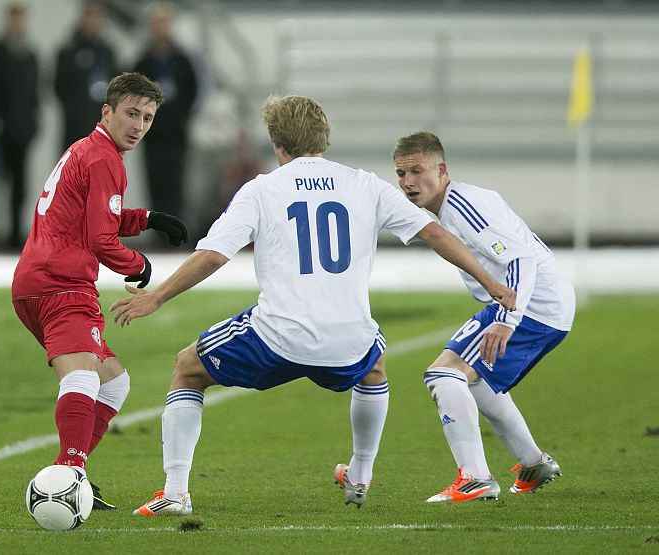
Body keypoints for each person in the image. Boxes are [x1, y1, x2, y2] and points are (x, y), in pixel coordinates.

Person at [109, 94, 516, 516]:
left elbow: (214, 254)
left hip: (277, 338)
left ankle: (175, 493)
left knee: (187, 368)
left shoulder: (262, 189)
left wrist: (156, 296)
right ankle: (360, 473)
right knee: (374, 362)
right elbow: (435, 233)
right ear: (324, 138)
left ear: (276, 143)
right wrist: (492, 281)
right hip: (347, 342)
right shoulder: (365, 184)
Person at [12, 72, 189, 511]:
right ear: (106, 112)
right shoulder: (104, 159)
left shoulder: (89, 150)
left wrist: (147, 218)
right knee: (83, 376)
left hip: (39, 280)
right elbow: (100, 241)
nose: (139, 125)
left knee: (114, 384)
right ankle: (70, 475)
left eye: (147, 118)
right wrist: (141, 266)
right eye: (131, 113)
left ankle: (72, 472)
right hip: (61, 284)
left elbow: (95, 217)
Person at [392, 131, 575, 503]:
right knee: (477, 383)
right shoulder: (454, 205)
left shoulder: (464, 206)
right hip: (542, 305)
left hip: (532, 306)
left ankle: (474, 478)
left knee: (444, 373)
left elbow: (520, 259)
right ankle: (533, 463)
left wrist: (507, 319)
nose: (409, 182)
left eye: (417, 171)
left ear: (441, 170)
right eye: (401, 173)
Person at [133, 2, 199, 233]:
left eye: (165, 23)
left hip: (176, 134)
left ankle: (176, 230)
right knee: (154, 182)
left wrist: (181, 117)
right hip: (151, 134)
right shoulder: (143, 62)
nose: (161, 28)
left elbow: (193, 92)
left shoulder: (182, 61)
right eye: (156, 23)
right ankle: (158, 231)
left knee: (176, 183)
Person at [0, 3, 40, 249]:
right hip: (1, 129)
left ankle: (14, 231)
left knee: (20, 183)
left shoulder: (30, 55)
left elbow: (34, 93)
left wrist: (33, 123)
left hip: (22, 130)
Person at [54, 2, 117, 152]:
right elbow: (59, 85)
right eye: (89, 16)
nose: (92, 22)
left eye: (96, 17)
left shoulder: (108, 53)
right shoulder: (68, 51)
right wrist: (74, 110)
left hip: (101, 128)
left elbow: (117, 87)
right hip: (74, 128)